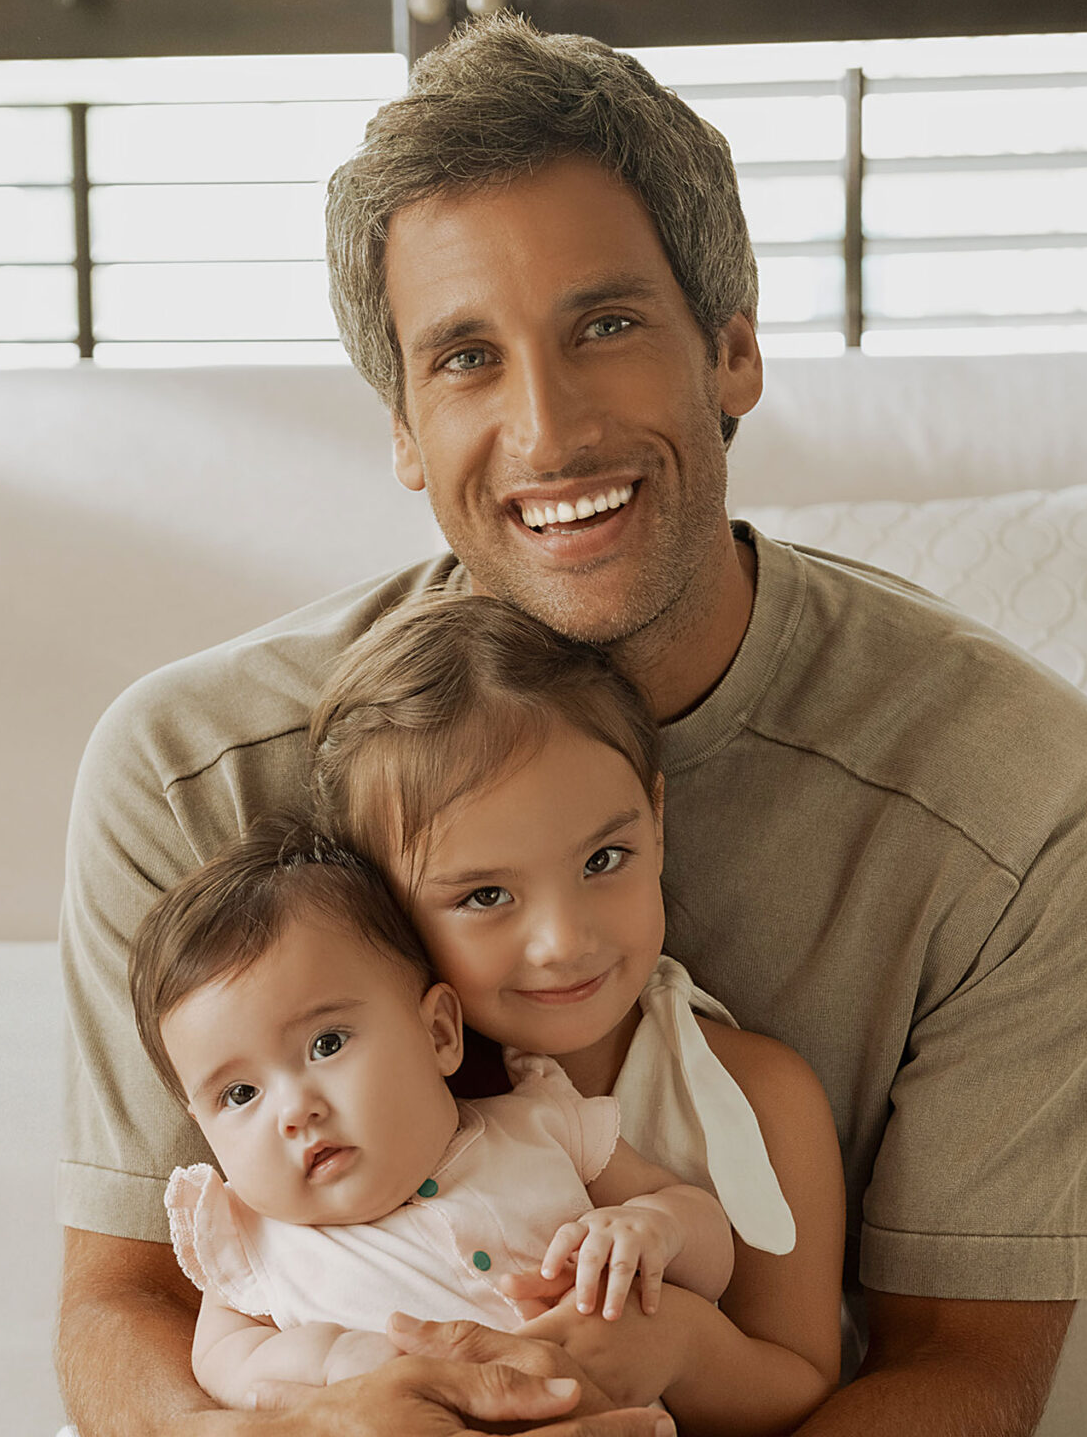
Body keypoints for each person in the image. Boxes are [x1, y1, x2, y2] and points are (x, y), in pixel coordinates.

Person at [56, 13, 1087, 1437]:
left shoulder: (1025, 805)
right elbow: (123, 1308)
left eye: (608, 326)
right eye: (464, 358)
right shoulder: (190, 773)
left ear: (735, 351)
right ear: (400, 429)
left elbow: (964, 1363)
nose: (550, 430)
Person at [303, 591, 846, 1434]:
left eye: (604, 857)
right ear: (384, 911)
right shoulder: (345, 1114)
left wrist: (677, 1345)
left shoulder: (759, 1097)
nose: (563, 941)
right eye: (485, 894)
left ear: (657, 824)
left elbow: (804, 1383)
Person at [129, 812, 732, 1409]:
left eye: (327, 1044)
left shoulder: (541, 1125)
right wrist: (329, 1358)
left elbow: (711, 1260)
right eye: (239, 1095)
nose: (294, 1110)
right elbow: (222, 1366)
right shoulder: (253, 1238)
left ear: (439, 1032)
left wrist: (657, 1227)